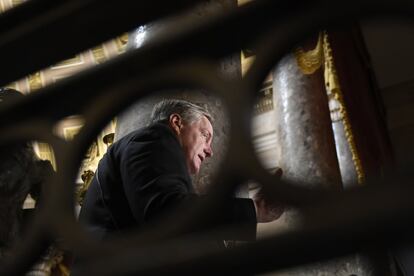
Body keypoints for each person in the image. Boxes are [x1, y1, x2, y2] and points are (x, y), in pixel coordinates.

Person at [79, 99, 283, 243]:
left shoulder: (155, 149)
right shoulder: (154, 140)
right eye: (205, 135)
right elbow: (167, 214)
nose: (210, 150)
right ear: (176, 123)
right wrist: (256, 209)